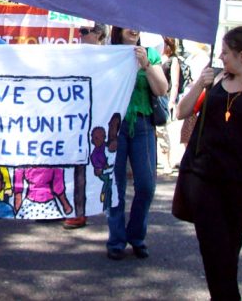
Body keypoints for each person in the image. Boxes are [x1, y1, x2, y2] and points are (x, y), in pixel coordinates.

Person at [176, 27, 242, 300]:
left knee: (229, 248)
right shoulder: (217, 78)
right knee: (214, 249)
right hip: (204, 176)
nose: (220, 56)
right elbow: (180, 112)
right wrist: (200, 83)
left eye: (226, 52)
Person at [106, 27, 168, 260]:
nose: (133, 29)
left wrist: (146, 65)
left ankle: (136, 235)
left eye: (137, 24)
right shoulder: (109, 54)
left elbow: (162, 89)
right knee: (115, 187)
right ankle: (116, 240)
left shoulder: (150, 54)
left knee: (146, 185)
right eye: (128, 24)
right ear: (118, 29)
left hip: (142, 125)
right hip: (115, 127)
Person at [63, 22, 108, 229]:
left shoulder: (112, 57)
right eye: (79, 31)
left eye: (84, 32)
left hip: (102, 119)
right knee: (77, 165)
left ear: (99, 34)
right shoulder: (76, 55)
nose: (80, 35)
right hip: (78, 118)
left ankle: (104, 209)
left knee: (98, 168)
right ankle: (76, 211)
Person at [157, 36, 181, 175]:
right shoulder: (156, 57)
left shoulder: (173, 60)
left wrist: (172, 101)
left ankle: (166, 162)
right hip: (154, 96)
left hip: (164, 98)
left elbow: (175, 82)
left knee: (162, 131)